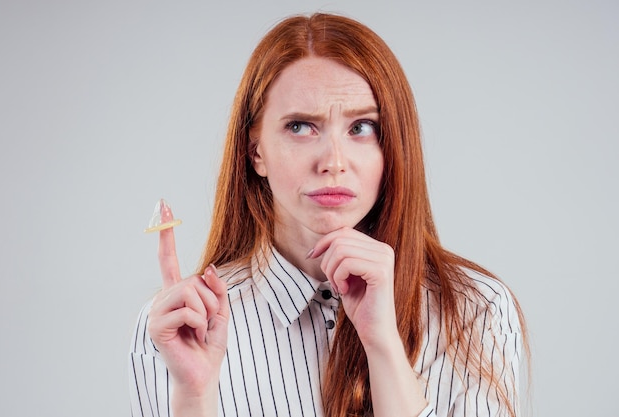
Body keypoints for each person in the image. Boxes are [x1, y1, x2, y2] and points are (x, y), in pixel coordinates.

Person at [129, 12, 527, 417]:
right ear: (256, 152)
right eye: (301, 127)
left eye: (362, 127)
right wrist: (194, 397)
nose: (334, 162)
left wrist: (383, 345)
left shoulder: (476, 310)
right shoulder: (179, 327)